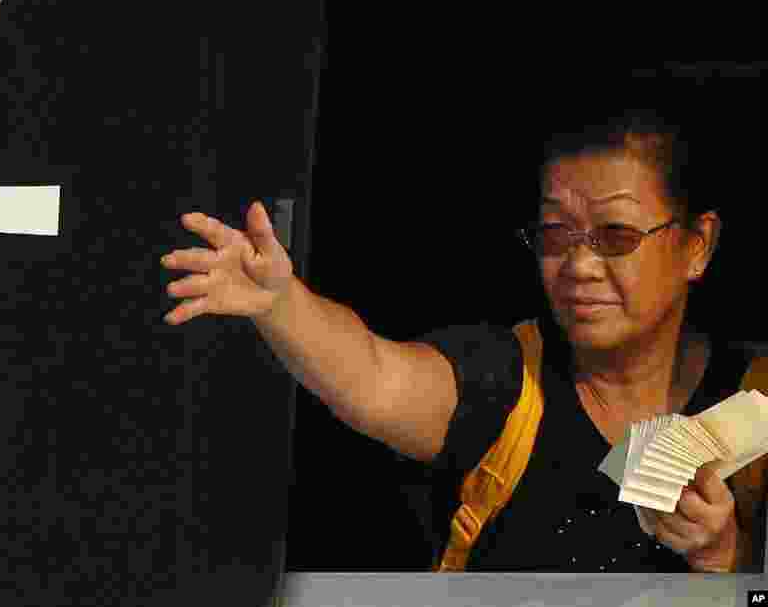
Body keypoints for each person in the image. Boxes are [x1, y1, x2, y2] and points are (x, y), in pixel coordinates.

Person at [160, 109, 764, 572]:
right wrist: (282, 303)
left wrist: (726, 561)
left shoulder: (757, 395)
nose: (578, 266)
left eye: (616, 235)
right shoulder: (507, 381)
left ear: (697, 245)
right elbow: (374, 375)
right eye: (555, 233)